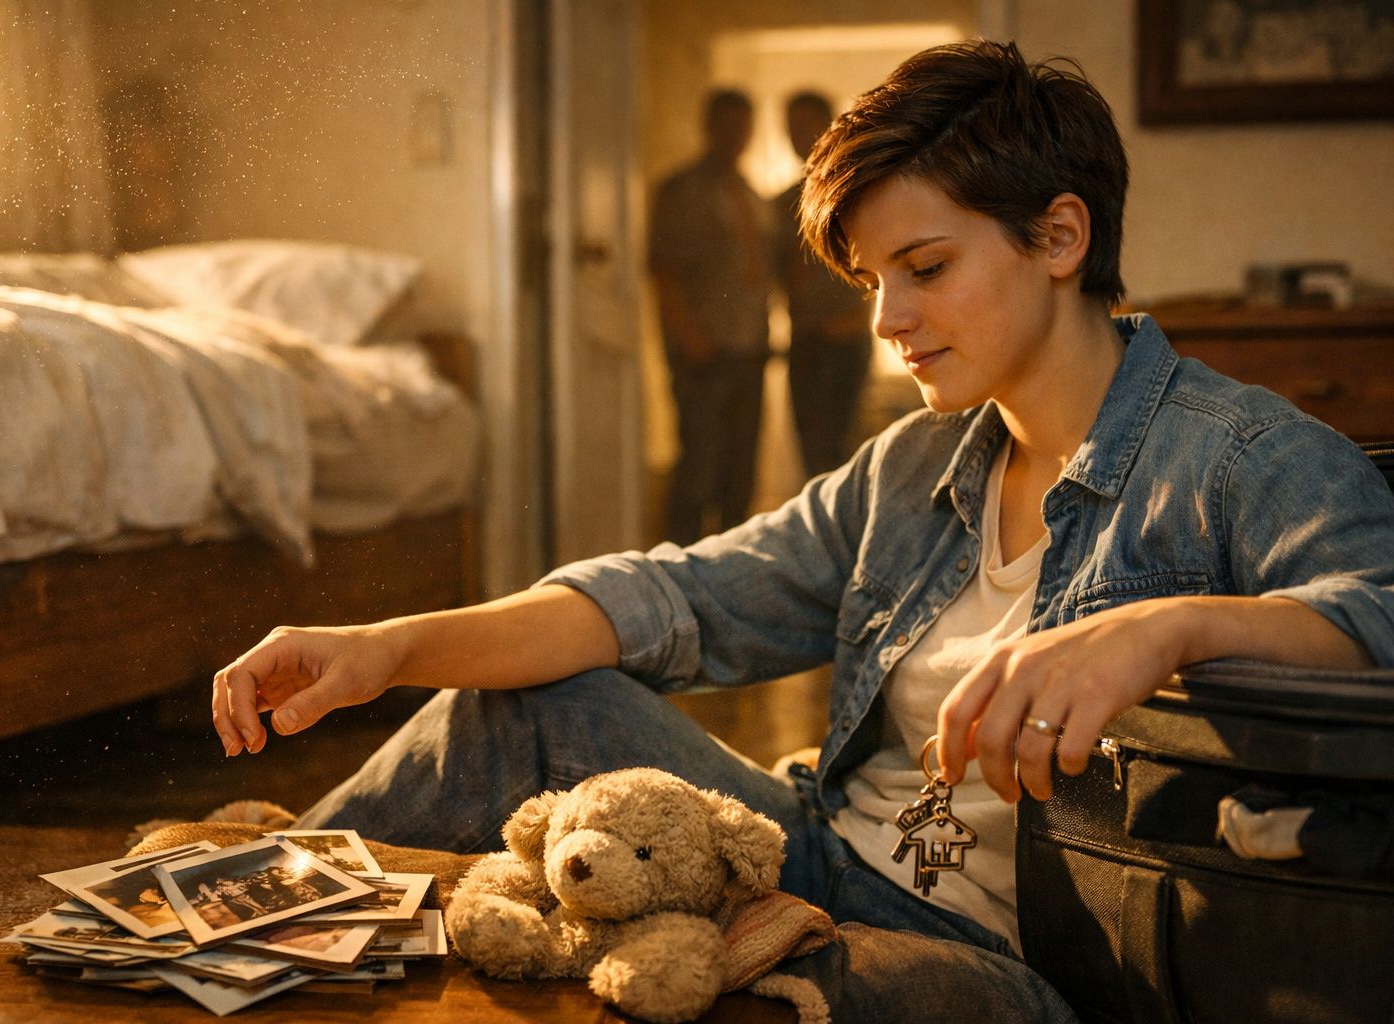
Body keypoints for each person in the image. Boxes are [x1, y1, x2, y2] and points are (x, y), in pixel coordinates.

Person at [211, 40, 1394, 1021]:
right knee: (531, 709)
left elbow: (1379, 613)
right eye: (875, 279)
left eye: (923, 268)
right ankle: (207, 928)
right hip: (820, 857)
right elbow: (680, 594)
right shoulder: (916, 464)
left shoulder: (1239, 456)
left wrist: (1169, 629)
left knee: (753, 987)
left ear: (1060, 238)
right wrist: (383, 646)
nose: (889, 318)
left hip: (1016, 961)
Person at [649, 88, 771, 544]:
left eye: (744, 127)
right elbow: (663, 271)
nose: (736, 136)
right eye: (728, 126)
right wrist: (687, 334)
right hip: (704, 352)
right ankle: (674, 574)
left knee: (740, 473)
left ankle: (729, 576)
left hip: (750, 350)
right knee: (699, 469)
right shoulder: (682, 190)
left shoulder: (749, 191)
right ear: (709, 128)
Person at [773, 91, 876, 477]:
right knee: (813, 455)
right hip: (807, 341)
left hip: (847, 338)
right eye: (793, 127)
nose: (800, 135)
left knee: (848, 451)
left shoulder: (857, 192)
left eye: (808, 126)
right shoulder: (781, 203)